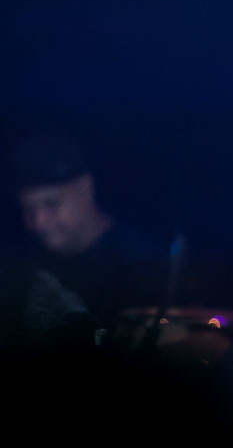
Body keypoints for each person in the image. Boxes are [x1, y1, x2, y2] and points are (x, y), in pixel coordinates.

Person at [10, 133, 166, 329]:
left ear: (85, 187)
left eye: (51, 203)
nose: (39, 222)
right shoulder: (25, 265)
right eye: (28, 208)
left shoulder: (143, 266)